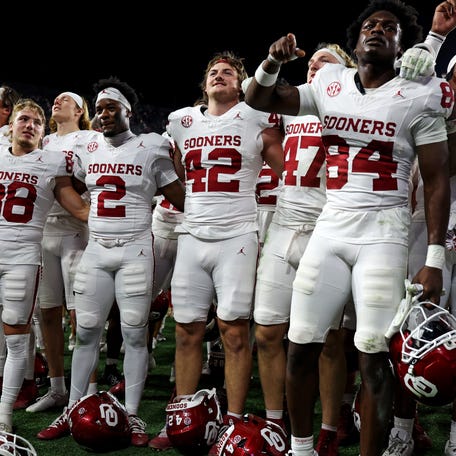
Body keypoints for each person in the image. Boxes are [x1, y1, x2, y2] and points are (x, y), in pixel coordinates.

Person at [244, 0, 454, 454]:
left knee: (374, 356)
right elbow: (259, 98)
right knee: (300, 346)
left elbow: (437, 179)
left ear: (402, 46)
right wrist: (271, 62)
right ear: (356, 39)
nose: (377, 30)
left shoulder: (421, 92)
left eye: (390, 27)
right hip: (331, 228)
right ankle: (301, 449)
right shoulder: (328, 83)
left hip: (385, 233)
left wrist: (434, 257)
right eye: (370, 25)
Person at [36, 76, 186, 448]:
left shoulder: (150, 147)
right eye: (99, 108)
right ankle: (73, 408)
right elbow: (67, 183)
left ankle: (132, 414)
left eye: (110, 108)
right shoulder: (88, 147)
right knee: (85, 331)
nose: (103, 114)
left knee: (135, 333)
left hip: (136, 248)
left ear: (128, 112)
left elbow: (177, 194)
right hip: (98, 249)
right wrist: (84, 212)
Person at [148, 51, 284, 451]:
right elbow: (173, 170)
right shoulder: (181, 121)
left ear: (241, 84)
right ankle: (182, 419)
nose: (219, 76)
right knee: (187, 329)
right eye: (212, 72)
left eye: (228, 72)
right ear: (203, 85)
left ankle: (234, 422)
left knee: (233, 330)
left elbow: (284, 170)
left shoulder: (257, 117)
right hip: (192, 233)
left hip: (238, 235)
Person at [252, 43, 358, 456]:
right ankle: (277, 421)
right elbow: (256, 98)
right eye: (311, 62)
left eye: (324, 61)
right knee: (266, 330)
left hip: (328, 227)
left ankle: (329, 428)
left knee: (328, 340)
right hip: (283, 223)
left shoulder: (352, 104)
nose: (313, 67)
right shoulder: (295, 103)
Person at [383, 5, 456, 453]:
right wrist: (432, 38)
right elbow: (398, 87)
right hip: (419, 227)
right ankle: (403, 428)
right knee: (408, 329)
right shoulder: (427, 110)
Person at [0, 98, 90, 432]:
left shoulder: (52, 162)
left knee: (17, 339)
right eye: (24, 119)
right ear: (11, 126)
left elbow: (78, 208)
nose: (30, 125)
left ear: (43, 132)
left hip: (23, 257)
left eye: (37, 122)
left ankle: (4, 415)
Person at [25, 91, 102, 413]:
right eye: (53, 99)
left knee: (81, 315)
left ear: (80, 109)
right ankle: (57, 387)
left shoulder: (90, 138)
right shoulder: (41, 140)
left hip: (75, 230)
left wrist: (74, 187)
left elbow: (98, 178)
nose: (56, 102)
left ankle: (90, 391)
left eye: (64, 99)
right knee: (47, 313)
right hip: (43, 232)